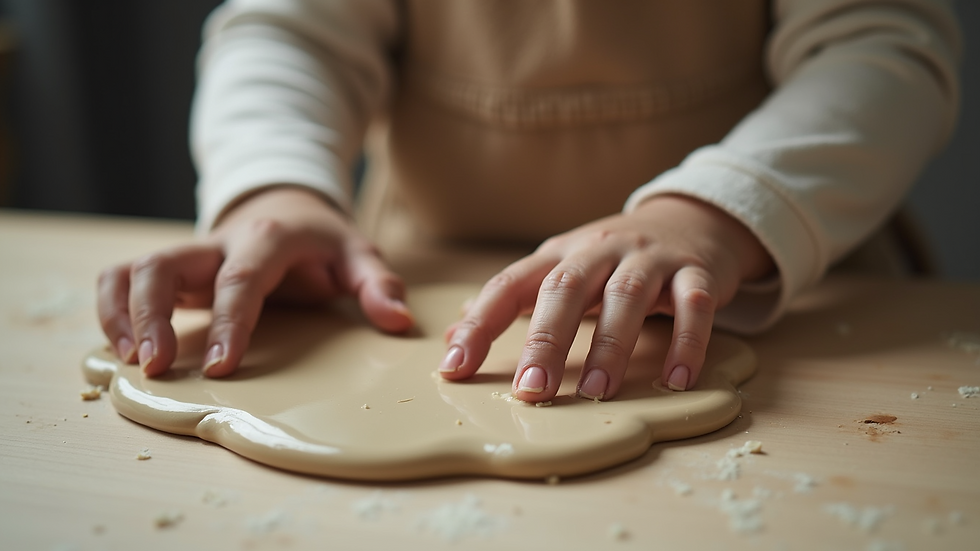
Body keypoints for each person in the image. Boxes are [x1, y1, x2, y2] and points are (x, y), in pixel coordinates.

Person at [97, 0, 960, 403]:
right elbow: (287, 31)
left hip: (783, 285)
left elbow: (881, 46)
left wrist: (711, 215)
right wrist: (275, 187)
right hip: (422, 280)